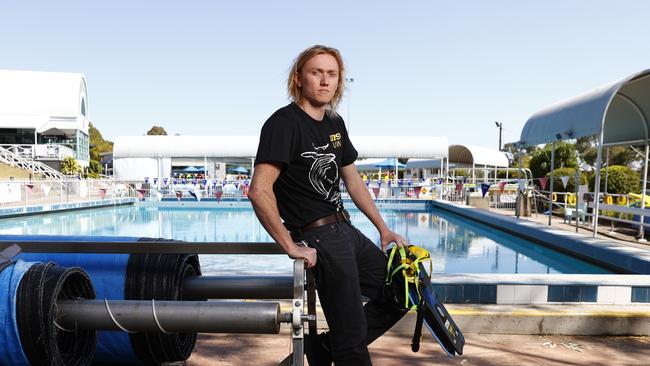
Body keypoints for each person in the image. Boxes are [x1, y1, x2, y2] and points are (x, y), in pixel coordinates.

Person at [248, 45, 408, 366]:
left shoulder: (335, 123)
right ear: (299, 79)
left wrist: (383, 228)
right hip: (319, 236)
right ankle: (337, 348)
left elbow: (354, 181)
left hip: (345, 229)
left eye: (331, 74)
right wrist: (290, 246)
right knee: (352, 338)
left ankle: (325, 349)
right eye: (316, 72)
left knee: (400, 293)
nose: (324, 81)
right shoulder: (283, 123)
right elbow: (258, 190)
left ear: (339, 81)